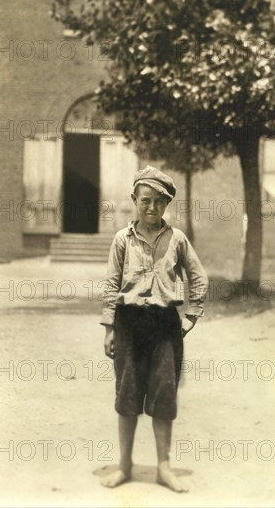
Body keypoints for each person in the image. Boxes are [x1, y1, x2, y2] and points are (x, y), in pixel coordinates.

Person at [100, 165, 208, 493]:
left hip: (165, 327)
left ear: (166, 205)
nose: (151, 208)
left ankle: (163, 467)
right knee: (128, 394)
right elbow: (111, 283)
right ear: (134, 199)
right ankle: (125, 465)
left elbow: (198, 277)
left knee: (164, 394)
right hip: (129, 324)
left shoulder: (177, 239)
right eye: (145, 200)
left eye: (159, 202)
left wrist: (191, 316)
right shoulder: (122, 239)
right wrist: (109, 328)